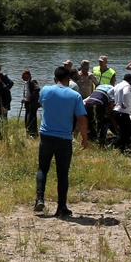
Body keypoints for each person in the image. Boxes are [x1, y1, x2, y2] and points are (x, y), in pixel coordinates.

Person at [34, 65, 88, 218]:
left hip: (46, 135)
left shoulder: (45, 90)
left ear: (54, 78)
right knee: (62, 173)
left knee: (42, 168)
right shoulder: (75, 96)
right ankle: (62, 207)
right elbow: (81, 119)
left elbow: (41, 103)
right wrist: (85, 138)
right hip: (64, 138)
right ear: (69, 79)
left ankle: (39, 198)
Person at [113, 74, 131, 149]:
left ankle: (121, 148)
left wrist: (115, 101)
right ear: (130, 80)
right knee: (129, 132)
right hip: (123, 112)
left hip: (116, 111)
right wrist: (125, 104)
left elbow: (110, 92)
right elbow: (125, 93)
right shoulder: (126, 85)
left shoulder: (118, 85)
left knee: (123, 132)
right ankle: (115, 144)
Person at [20, 69, 41, 137]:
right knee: (27, 119)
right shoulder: (27, 82)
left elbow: (37, 89)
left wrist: (31, 97)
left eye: (23, 76)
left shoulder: (32, 81)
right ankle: (29, 133)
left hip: (33, 104)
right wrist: (25, 99)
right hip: (28, 103)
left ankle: (34, 134)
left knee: (32, 119)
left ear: (27, 75)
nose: (22, 78)